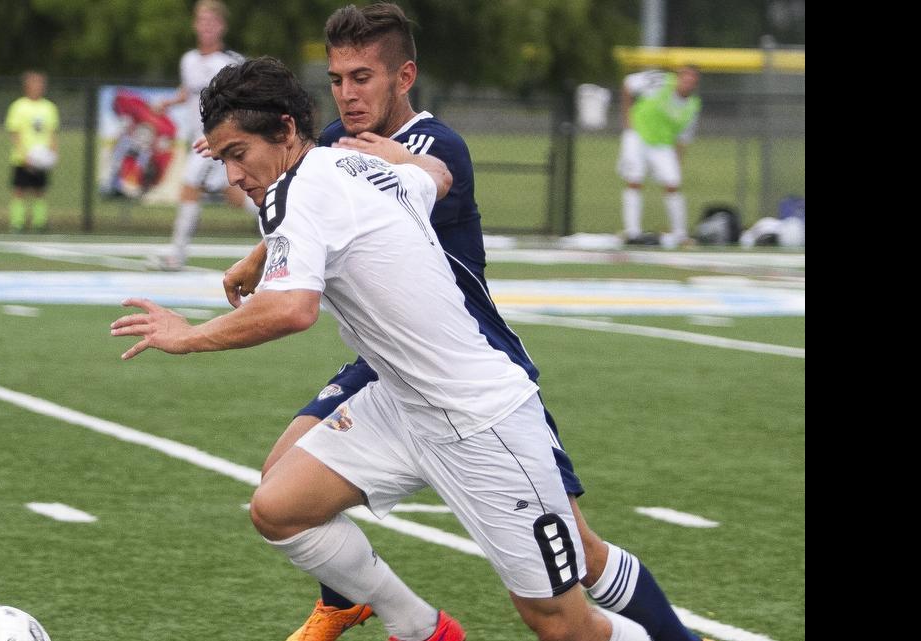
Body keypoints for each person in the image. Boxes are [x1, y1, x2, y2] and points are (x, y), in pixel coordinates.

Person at [113, 55, 654, 641]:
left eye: (238, 155)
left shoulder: (298, 190)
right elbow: (435, 181)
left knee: (561, 625)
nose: (233, 177)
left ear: (288, 132)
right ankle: (423, 630)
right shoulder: (349, 161)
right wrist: (411, 159)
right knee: (279, 507)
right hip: (402, 405)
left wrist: (188, 336)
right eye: (221, 160)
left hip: (480, 419)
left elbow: (293, 310)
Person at [219, 6, 711, 641]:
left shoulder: (433, 143)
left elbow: (391, 190)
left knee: (580, 560)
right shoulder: (338, 142)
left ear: (405, 76)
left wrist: (265, 249)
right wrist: (258, 233)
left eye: (363, 77)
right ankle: (371, 607)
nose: (347, 93)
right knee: (281, 488)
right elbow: (311, 196)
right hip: (389, 362)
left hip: (469, 359)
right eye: (337, 79)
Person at [150, 0, 259, 270]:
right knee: (235, 197)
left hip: (216, 140)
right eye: (202, 21)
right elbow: (189, 92)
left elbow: (246, 98)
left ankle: (177, 254)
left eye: (213, 21)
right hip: (198, 138)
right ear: (195, 24)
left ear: (222, 26)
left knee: (189, 186)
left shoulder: (230, 62)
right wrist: (170, 102)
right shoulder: (188, 60)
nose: (207, 27)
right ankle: (285, 220)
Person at [616, 65, 701, 246]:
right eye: (684, 79)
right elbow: (628, 84)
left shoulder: (692, 106)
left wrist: (678, 160)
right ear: (678, 78)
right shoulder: (661, 81)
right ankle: (632, 232)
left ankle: (680, 234)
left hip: (662, 144)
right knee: (634, 179)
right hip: (638, 134)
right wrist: (627, 120)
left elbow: (683, 138)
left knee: (673, 182)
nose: (687, 84)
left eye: (691, 81)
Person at [5, 70, 60, 233]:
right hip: (23, 157)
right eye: (35, 83)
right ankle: (17, 223)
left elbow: (52, 132)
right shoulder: (19, 106)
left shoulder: (49, 107)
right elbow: (14, 132)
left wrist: (53, 152)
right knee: (19, 190)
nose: (39, 87)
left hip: (41, 157)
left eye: (41, 84)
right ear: (27, 86)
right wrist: (24, 155)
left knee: (40, 191)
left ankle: (39, 223)